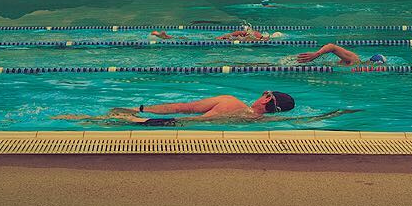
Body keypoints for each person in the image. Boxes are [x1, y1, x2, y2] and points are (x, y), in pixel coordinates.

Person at [55, 90, 295, 126]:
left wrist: (141, 108)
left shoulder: (230, 101)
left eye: (265, 93)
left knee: (102, 118)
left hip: (164, 122)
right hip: (176, 127)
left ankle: (67, 117)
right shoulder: (261, 122)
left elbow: (183, 107)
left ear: (266, 99)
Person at [296, 43, 386, 67]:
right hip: (307, 61)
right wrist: (316, 54)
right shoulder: (354, 59)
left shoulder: (357, 66)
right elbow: (332, 46)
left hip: (312, 64)